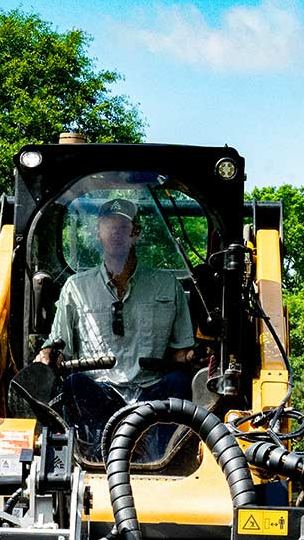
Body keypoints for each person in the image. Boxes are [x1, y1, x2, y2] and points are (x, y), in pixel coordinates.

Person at [35, 197, 198, 459]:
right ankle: (102, 455)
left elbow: (181, 353)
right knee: (74, 384)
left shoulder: (168, 285)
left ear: (136, 233)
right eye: (109, 226)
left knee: (179, 382)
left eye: (124, 226)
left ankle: (163, 458)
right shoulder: (76, 288)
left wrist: (197, 356)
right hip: (100, 392)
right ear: (98, 233)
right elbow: (58, 346)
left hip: (152, 392)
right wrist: (47, 355)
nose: (116, 233)